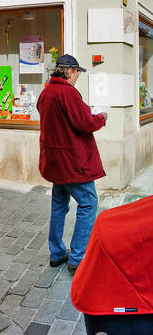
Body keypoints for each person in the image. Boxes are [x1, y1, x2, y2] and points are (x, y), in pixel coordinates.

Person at [37, 54, 107, 274]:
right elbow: (85, 123)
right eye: (77, 72)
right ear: (69, 71)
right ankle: (78, 256)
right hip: (74, 163)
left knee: (59, 205)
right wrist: (102, 117)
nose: (77, 76)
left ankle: (57, 253)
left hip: (55, 161)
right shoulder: (68, 93)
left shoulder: (46, 92)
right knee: (88, 204)